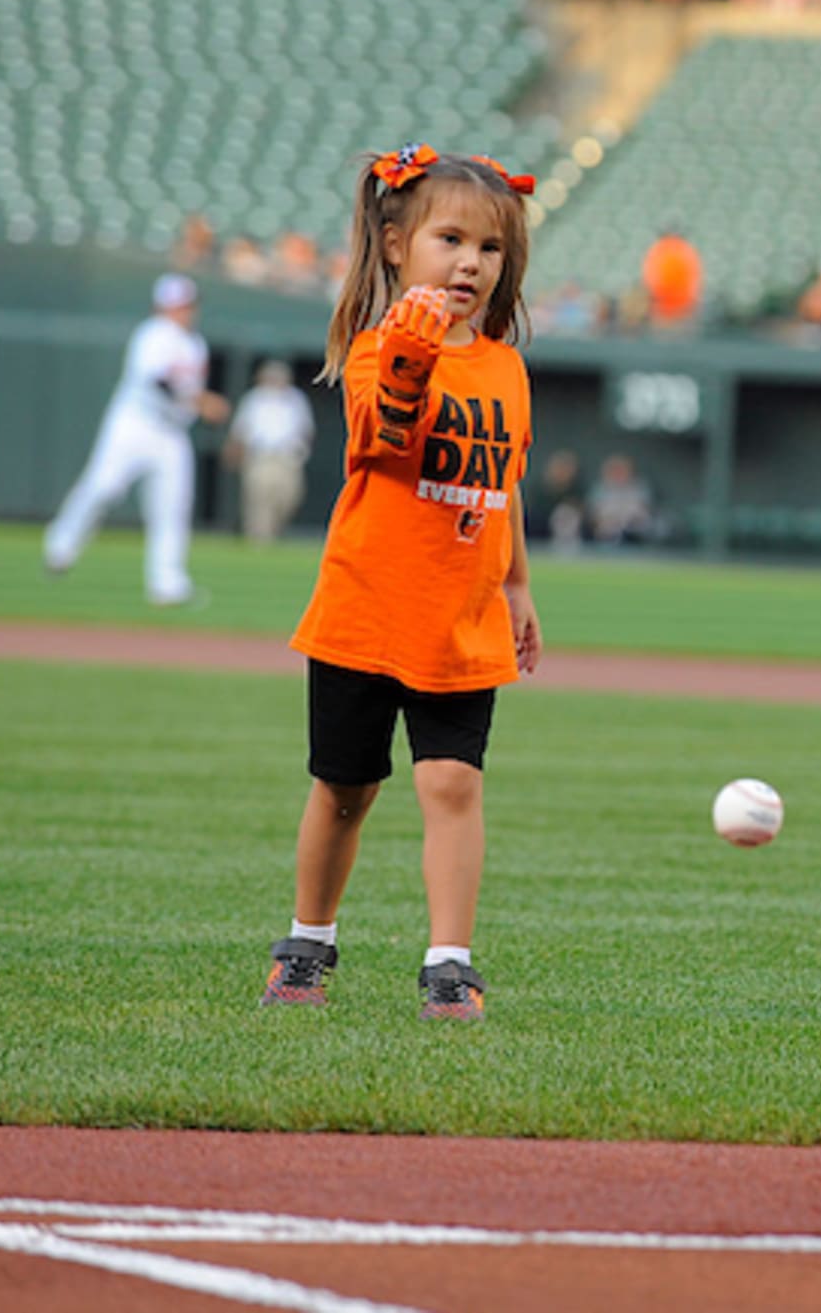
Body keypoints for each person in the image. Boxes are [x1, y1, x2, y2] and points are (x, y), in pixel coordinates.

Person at [261, 143, 543, 1022]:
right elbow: (384, 440)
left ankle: (449, 965)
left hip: (461, 614)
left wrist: (520, 586)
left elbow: (504, 483)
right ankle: (309, 942)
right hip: (367, 608)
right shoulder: (377, 349)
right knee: (345, 789)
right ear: (393, 243)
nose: (471, 262)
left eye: (490, 248)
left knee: (453, 783)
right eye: (450, 239)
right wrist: (413, 365)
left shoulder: (504, 364)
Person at [43, 273, 230, 605]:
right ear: (162, 306)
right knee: (103, 486)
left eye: (187, 304)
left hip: (172, 433)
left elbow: (184, 390)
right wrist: (202, 403)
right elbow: (158, 381)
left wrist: (196, 402)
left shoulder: (194, 344)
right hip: (135, 423)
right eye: (176, 304)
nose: (183, 310)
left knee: (173, 506)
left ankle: (167, 583)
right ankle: (60, 545)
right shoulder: (153, 334)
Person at [224, 359, 316, 544]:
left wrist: (303, 451)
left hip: (288, 457)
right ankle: (259, 539)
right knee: (259, 497)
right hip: (261, 455)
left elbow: (307, 429)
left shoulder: (296, 399)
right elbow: (241, 430)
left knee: (288, 497)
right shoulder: (254, 399)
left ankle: (273, 531)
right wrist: (234, 452)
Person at [586, 453, 661, 545]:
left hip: (633, 529)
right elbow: (594, 514)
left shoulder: (639, 487)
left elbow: (644, 512)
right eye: (614, 470)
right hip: (606, 528)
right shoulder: (600, 488)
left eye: (622, 469)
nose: (618, 473)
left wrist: (625, 521)